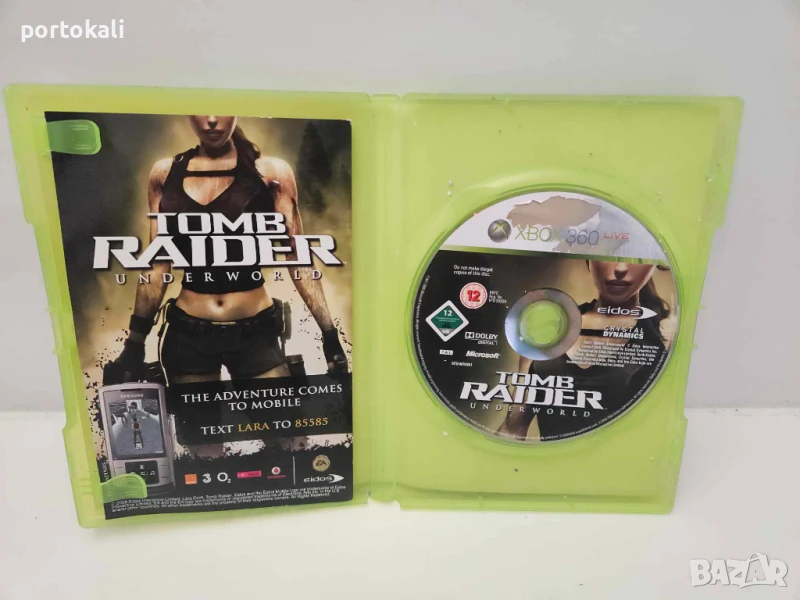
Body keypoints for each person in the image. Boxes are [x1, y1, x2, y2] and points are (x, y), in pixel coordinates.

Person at [105, 115, 346, 387]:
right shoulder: (165, 173)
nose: (211, 120)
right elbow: (158, 265)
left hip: (256, 333)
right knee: (194, 417)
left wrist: (330, 335)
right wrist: (134, 343)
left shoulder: (272, 173)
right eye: (201, 110)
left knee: (279, 415)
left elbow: (298, 258)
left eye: (219, 110)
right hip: (188, 334)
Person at [498, 260, 672, 441]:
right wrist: (525, 367)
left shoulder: (664, 334)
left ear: (653, 264)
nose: (620, 268)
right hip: (552, 457)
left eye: (637, 258)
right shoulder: (551, 328)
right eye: (609, 254)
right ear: (590, 260)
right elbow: (513, 430)